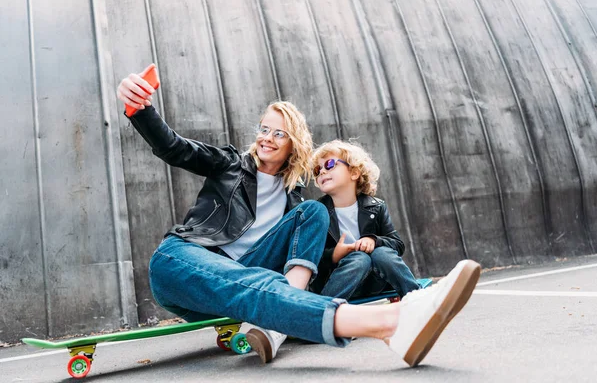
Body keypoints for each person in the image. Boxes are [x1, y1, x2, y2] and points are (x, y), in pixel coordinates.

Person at [116, 65, 481, 368]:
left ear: (294, 144)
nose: (267, 138)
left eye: (279, 133)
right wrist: (141, 110)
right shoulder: (229, 164)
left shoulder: (296, 200)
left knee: (312, 214)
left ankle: (281, 318)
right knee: (248, 279)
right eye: (264, 129)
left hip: (251, 277)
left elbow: (317, 258)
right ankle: (389, 322)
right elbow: (176, 148)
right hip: (186, 262)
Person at [309, 140, 422, 300]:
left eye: (329, 164)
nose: (321, 172)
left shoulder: (376, 207)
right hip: (338, 282)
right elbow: (311, 256)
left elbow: (397, 244)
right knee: (359, 258)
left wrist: (374, 240)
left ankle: (417, 297)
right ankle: (321, 308)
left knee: (381, 253)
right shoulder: (318, 211)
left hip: (376, 281)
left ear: (354, 173)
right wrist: (334, 255)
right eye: (317, 170)